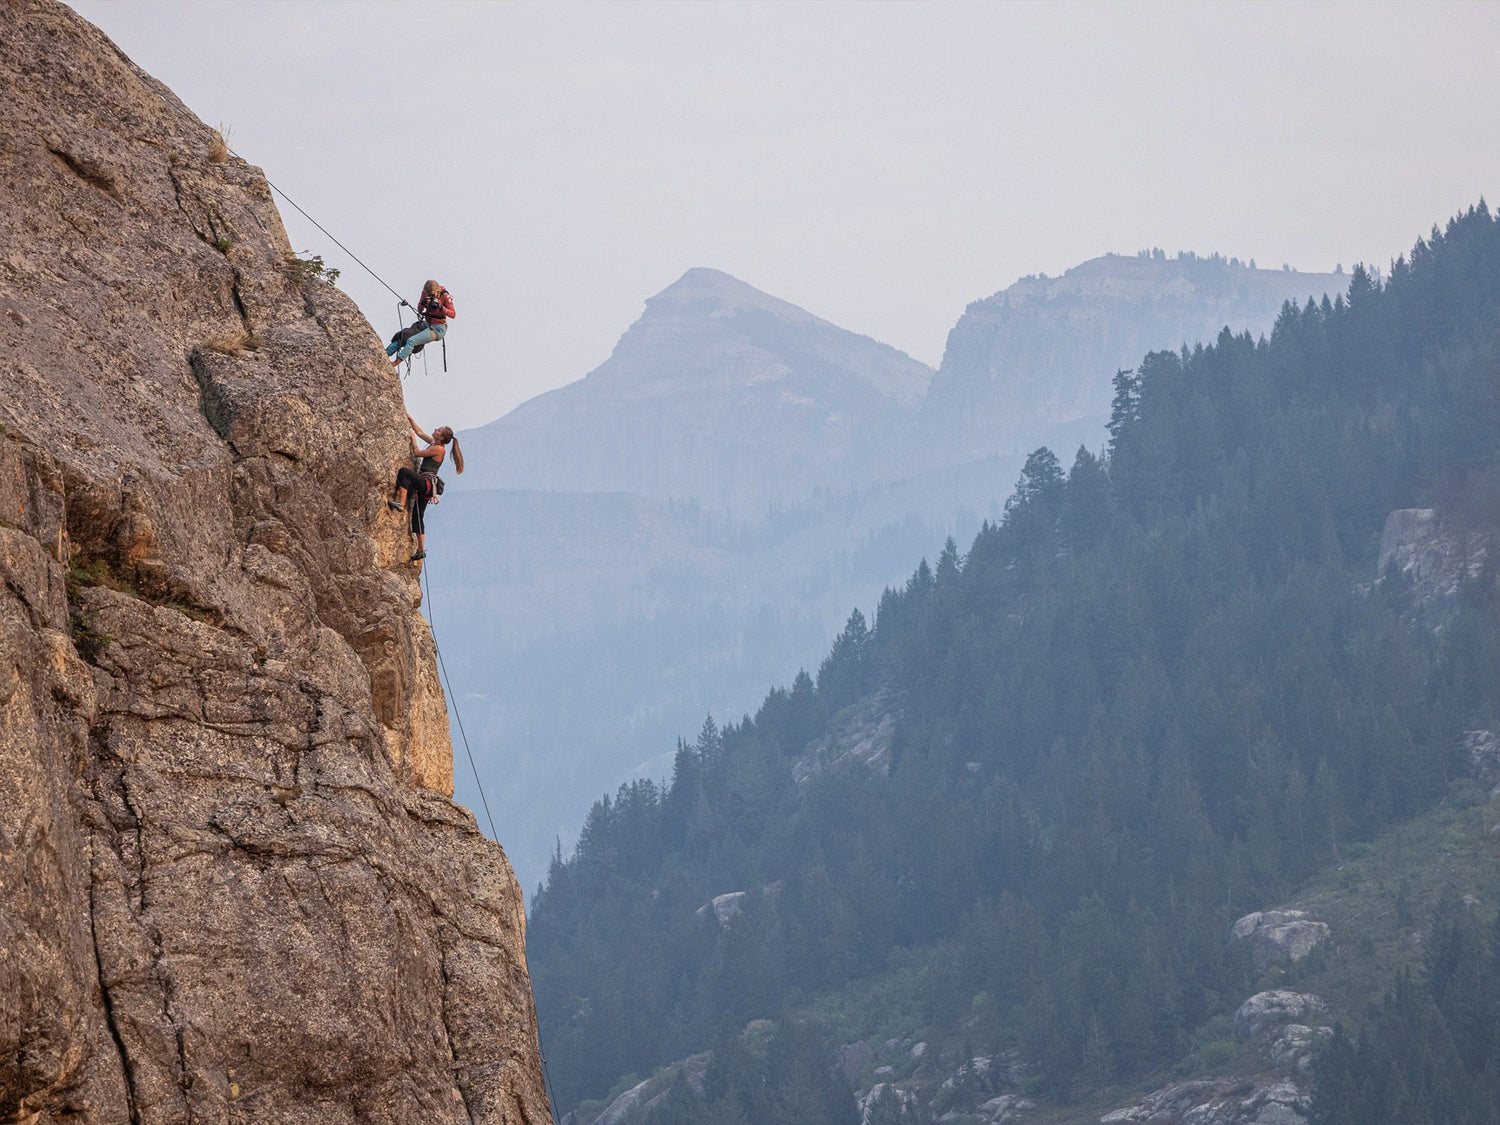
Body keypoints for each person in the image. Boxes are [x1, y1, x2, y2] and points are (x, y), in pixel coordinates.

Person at [388, 413, 465, 561]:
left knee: (404, 472)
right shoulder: (434, 443)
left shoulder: (439, 449)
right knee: (417, 517)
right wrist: (409, 418)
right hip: (427, 486)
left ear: (441, 437)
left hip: (426, 484)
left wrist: (412, 439)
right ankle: (420, 550)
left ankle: (401, 504)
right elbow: (420, 432)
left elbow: (417, 453)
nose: (435, 429)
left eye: (438, 430)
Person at [387, 280, 455, 369]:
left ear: (438, 291)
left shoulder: (445, 296)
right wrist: (423, 302)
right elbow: (419, 310)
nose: (431, 297)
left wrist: (441, 307)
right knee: (403, 336)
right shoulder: (424, 293)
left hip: (438, 328)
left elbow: (453, 314)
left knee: (411, 341)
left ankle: (394, 364)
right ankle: (385, 354)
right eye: (428, 295)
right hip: (427, 324)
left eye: (433, 295)